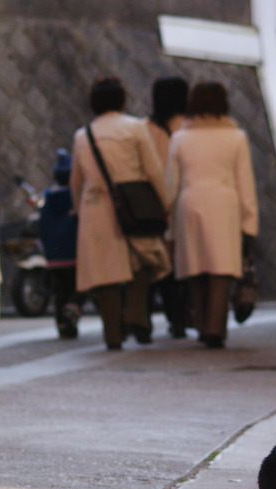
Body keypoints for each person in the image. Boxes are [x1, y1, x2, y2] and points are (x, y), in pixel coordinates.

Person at [70, 76, 170, 351]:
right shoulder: (136, 128)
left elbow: (76, 181)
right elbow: (153, 170)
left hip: (96, 209)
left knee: (106, 275)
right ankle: (137, 315)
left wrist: (78, 210)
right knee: (142, 261)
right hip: (134, 204)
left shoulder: (83, 135)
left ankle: (112, 334)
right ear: (122, 100)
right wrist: (166, 202)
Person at [166, 81, 259, 349]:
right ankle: (216, 327)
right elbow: (245, 183)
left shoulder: (180, 138)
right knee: (221, 268)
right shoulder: (236, 137)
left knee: (195, 268)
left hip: (190, 203)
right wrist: (250, 222)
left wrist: (169, 220)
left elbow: (171, 184)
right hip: (224, 205)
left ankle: (201, 322)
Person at [146, 76, 191, 339]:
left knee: (157, 265)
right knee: (183, 264)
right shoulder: (190, 128)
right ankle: (181, 318)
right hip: (184, 204)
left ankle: (151, 319)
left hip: (153, 206)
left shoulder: (145, 129)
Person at [38, 148, 83, 339]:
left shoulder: (48, 197)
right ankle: (73, 309)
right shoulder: (75, 197)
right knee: (78, 286)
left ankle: (62, 325)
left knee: (59, 292)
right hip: (74, 253)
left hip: (54, 256)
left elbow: (41, 225)